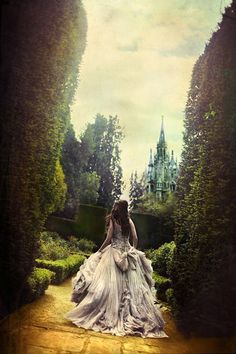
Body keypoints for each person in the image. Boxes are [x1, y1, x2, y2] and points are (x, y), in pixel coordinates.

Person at [64, 200, 168, 338]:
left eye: (116, 206)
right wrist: (132, 251)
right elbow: (135, 238)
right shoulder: (129, 220)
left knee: (106, 284)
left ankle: (109, 312)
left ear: (118, 208)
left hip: (113, 253)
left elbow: (108, 238)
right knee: (132, 288)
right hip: (126, 253)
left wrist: (99, 251)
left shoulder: (114, 219)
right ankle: (129, 313)